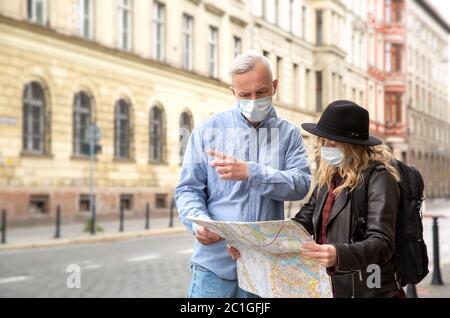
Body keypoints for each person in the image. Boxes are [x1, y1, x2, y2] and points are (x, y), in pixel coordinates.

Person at [228, 100, 404, 298]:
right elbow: (301, 225)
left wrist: (338, 254)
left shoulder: (379, 178)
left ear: (353, 146)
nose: (325, 148)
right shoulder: (329, 177)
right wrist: (251, 244)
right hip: (331, 286)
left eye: (333, 143)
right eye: (323, 141)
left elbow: (382, 243)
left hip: (368, 289)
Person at [175, 51, 312, 298]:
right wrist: (197, 223)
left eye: (260, 93)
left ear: (275, 86)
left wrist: (252, 172)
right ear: (233, 93)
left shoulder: (289, 135)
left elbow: (301, 184)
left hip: (263, 268)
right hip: (214, 266)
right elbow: (188, 189)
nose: (253, 100)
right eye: (244, 95)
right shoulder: (207, 130)